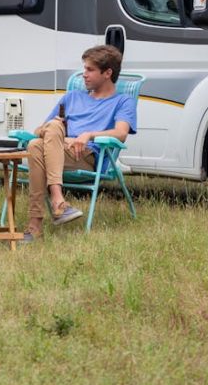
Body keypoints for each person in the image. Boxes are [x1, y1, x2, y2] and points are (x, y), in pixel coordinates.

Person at [23, 45, 137, 241]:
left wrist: (88, 135)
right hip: (59, 149)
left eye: (90, 70)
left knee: (36, 147)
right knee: (40, 139)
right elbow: (39, 131)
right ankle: (58, 204)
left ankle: (36, 225)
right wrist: (60, 135)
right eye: (84, 69)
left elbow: (121, 133)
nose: (83, 75)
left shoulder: (122, 101)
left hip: (85, 157)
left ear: (108, 73)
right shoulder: (71, 97)